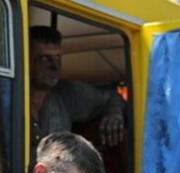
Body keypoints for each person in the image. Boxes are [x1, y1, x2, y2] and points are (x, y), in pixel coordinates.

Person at [29, 25, 125, 165]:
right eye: (45, 59)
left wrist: (114, 113)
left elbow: (111, 97)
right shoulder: (6, 95)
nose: (54, 67)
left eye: (57, 58)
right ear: (25, 59)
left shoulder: (67, 93)